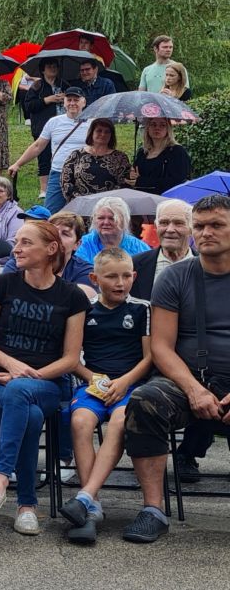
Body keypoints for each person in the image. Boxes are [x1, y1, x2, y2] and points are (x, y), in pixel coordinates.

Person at [120, 195, 230, 542]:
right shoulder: (175, 278)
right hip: (187, 380)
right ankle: (153, 508)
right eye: (200, 226)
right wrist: (194, 389)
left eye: (216, 225)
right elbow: (161, 347)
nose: (206, 232)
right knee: (145, 401)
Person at [0, 220, 90, 535]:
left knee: (24, 393)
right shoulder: (3, 285)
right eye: (16, 242)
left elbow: (69, 358)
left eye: (25, 242)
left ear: (50, 249)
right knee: (30, 415)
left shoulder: (72, 296)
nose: (16, 249)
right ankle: (26, 506)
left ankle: (0, 477)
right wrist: (11, 365)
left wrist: (27, 375)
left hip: (49, 385)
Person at [55, 247, 152, 542]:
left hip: (130, 385)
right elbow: (71, 358)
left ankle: (84, 499)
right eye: (111, 277)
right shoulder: (85, 312)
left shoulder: (142, 309)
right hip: (93, 384)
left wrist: (123, 383)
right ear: (95, 278)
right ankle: (93, 505)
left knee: (121, 422)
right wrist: (94, 380)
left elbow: (150, 358)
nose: (120, 283)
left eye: (126, 276)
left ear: (134, 277)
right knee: (80, 421)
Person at [9, 86, 92, 214]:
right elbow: (38, 146)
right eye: (69, 100)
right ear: (64, 102)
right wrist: (18, 164)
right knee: (50, 213)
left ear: (84, 102)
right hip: (58, 173)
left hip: (84, 173)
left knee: (84, 214)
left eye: (76, 100)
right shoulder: (54, 122)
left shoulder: (93, 123)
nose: (72, 103)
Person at [131, 199, 194, 300]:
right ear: (156, 226)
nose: (169, 230)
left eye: (178, 223)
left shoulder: (207, 266)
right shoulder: (134, 265)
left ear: (192, 228)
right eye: (164, 223)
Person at [60, 119, 132, 203]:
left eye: (107, 132)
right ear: (92, 133)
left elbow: (124, 183)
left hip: (109, 207)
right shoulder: (76, 155)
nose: (103, 134)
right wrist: (80, 200)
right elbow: (66, 181)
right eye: (99, 130)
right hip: (80, 205)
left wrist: (105, 202)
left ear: (111, 135)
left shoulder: (120, 157)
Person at [23, 60, 66, 199]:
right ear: (43, 70)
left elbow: (76, 100)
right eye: (49, 66)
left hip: (63, 125)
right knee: (44, 156)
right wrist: (47, 100)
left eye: (55, 66)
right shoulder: (37, 86)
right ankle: (44, 189)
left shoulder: (64, 84)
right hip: (43, 126)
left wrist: (66, 98)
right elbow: (29, 106)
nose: (52, 68)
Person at [131, 118, 191, 196]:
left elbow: (178, 181)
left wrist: (142, 181)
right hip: (141, 199)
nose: (157, 128)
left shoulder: (177, 152)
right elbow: (135, 175)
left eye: (162, 125)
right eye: (153, 124)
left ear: (168, 129)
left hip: (166, 200)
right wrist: (131, 176)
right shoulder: (142, 152)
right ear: (147, 128)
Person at [77, 197, 149, 261]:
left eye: (112, 218)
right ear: (94, 220)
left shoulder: (140, 248)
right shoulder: (82, 244)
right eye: (101, 218)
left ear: (124, 221)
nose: (106, 222)